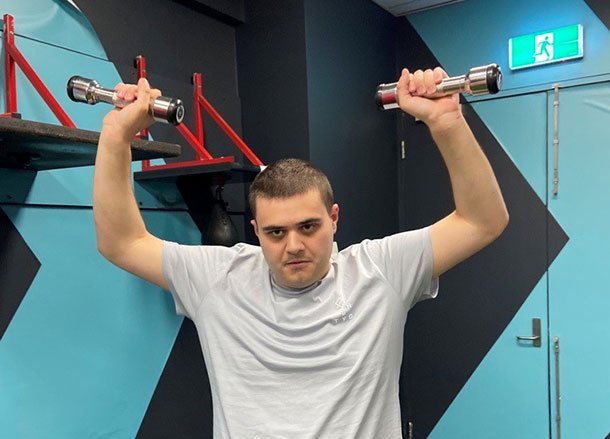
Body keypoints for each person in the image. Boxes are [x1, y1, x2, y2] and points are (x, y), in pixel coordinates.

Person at [93, 67, 508, 438]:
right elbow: (122, 243)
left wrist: (447, 122)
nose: (293, 245)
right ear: (255, 232)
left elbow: (482, 221)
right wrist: (115, 136)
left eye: (308, 227)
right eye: (275, 233)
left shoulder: (381, 270)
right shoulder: (219, 278)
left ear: (334, 220)